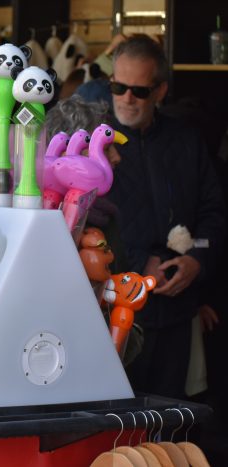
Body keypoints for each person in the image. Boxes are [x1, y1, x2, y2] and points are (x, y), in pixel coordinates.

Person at [105, 35, 226, 399]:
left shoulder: (186, 141)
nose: (127, 98)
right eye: (118, 86)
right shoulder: (93, 145)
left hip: (176, 310)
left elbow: (213, 214)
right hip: (113, 313)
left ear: (160, 91)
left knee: (168, 423)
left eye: (139, 91)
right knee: (116, 430)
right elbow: (83, 226)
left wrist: (196, 260)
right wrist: (143, 261)